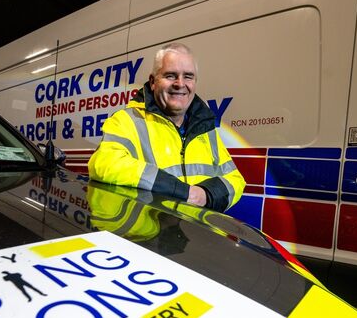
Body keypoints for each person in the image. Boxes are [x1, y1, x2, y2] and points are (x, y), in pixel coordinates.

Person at [88, 43, 244, 212]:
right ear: (153, 82)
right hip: (149, 236)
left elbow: (235, 180)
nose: (180, 84)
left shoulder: (206, 130)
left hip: (199, 234)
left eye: (188, 76)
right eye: (171, 75)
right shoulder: (127, 121)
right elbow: (103, 164)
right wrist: (181, 192)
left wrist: (206, 194)